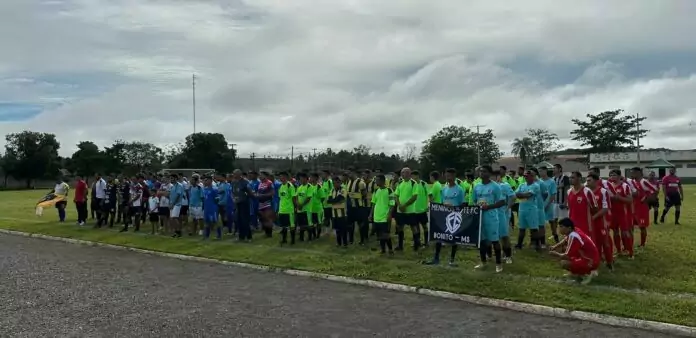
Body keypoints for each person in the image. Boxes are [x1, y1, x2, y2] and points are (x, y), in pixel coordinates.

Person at [425, 168, 464, 266]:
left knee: (453, 238)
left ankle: (452, 260)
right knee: (439, 236)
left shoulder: (459, 189)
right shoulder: (444, 189)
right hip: (444, 215)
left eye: (450, 176)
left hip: (455, 216)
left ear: (454, 176)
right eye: (447, 176)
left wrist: (454, 207)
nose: (448, 178)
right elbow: (442, 202)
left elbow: (463, 205)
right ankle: (436, 258)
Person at [472, 165, 505, 272]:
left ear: (489, 173)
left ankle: (499, 263)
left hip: (491, 217)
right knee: (481, 241)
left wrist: (489, 207)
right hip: (480, 217)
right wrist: (477, 207)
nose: (482, 173)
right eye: (481, 171)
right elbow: (474, 201)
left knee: (494, 240)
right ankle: (483, 262)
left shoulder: (495, 186)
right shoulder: (476, 186)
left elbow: (502, 201)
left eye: (485, 171)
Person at [549, 218, 600, 285]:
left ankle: (586, 274)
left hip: (590, 261)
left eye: (561, 227)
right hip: (592, 259)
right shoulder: (574, 230)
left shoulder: (573, 236)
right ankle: (579, 271)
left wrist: (555, 254)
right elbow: (565, 240)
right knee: (567, 251)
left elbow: (566, 255)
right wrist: (554, 247)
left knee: (564, 263)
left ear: (569, 228)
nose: (559, 229)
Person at [586, 173, 614, 271]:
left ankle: (610, 262)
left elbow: (605, 208)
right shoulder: (586, 191)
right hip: (590, 221)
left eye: (589, 180)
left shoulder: (602, 191)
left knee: (605, 242)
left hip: (601, 221)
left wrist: (594, 217)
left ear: (596, 181)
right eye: (587, 180)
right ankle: (596, 263)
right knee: (593, 243)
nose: (587, 182)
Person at [607, 170, 634, 259]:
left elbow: (630, 200)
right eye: (610, 175)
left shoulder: (625, 186)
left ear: (619, 176)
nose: (612, 177)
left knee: (625, 232)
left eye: (614, 175)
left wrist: (619, 198)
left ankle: (630, 251)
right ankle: (619, 250)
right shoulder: (608, 186)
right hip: (613, 213)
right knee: (615, 231)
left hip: (623, 213)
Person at [629, 167, 658, 251]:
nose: (631, 174)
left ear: (638, 173)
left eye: (633, 172)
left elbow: (655, 190)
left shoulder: (643, 181)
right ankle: (631, 243)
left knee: (642, 227)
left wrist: (648, 200)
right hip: (633, 207)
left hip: (642, 208)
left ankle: (642, 244)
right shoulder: (633, 182)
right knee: (631, 226)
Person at [394, 167, 420, 251]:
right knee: (400, 227)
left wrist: (404, 205)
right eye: (401, 172)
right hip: (400, 210)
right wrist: (399, 205)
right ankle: (400, 245)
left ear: (409, 173)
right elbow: (396, 195)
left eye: (404, 172)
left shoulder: (413, 183)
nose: (402, 174)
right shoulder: (400, 183)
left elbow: (414, 196)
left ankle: (416, 244)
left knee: (413, 227)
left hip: (410, 210)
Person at [515, 170, 540, 251]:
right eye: (525, 176)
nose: (525, 177)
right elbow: (516, 194)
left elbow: (529, 195)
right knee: (521, 228)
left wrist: (521, 195)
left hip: (531, 210)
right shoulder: (522, 185)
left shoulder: (535, 186)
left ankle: (537, 245)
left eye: (527, 176)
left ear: (532, 177)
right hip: (522, 209)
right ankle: (519, 244)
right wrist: (523, 195)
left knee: (534, 228)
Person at [369, 174, 394, 255]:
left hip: (385, 216)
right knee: (379, 235)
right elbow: (373, 203)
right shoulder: (376, 191)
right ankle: (383, 250)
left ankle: (390, 249)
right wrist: (370, 214)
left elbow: (392, 204)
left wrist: (389, 214)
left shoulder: (389, 191)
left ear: (382, 181)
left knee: (386, 235)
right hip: (376, 216)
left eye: (377, 180)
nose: (376, 181)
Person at [496, 169, 515, 263]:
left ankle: (508, 256)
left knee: (504, 235)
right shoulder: (491, 186)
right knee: (496, 235)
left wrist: (507, 208)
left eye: (496, 176)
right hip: (494, 214)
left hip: (503, 214)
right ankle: (499, 254)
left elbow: (512, 196)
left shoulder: (505, 185)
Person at [232, 169, 255, 242]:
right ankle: (241, 236)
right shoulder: (233, 182)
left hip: (244, 203)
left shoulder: (245, 182)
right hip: (237, 203)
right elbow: (232, 192)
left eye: (235, 174)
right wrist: (233, 198)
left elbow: (250, 192)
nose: (234, 175)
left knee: (245, 220)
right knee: (238, 220)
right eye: (233, 174)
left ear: (239, 174)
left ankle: (249, 237)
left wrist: (247, 197)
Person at [346, 168, 368, 245]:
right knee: (350, 224)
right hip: (350, 207)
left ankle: (362, 240)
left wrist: (357, 197)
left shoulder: (361, 183)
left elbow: (365, 195)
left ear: (353, 172)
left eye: (349, 173)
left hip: (359, 207)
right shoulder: (348, 182)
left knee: (360, 224)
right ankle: (351, 240)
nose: (348, 175)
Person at [327, 176, 348, 247]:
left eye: (336, 183)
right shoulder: (332, 190)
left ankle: (345, 243)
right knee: (337, 229)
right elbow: (329, 200)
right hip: (334, 213)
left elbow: (341, 198)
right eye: (333, 183)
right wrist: (335, 201)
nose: (334, 184)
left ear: (339, 183)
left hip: (342, 213)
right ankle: (339, 243)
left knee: (343, 229)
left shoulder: (343, 190)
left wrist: (334, 201)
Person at [277, 172, 297, 245]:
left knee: (291, 226)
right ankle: (284, 239)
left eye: (281, 177)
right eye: (279, 177)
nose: (280, 178)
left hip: (289, 210)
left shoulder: (290, 186)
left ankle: (293, 240)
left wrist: (295, 208)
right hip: (282, 210)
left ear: (285, 177)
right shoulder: (280, 186)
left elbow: (294, 198)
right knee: (284, 226)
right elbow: (281, 198)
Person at [552, 164, 570, 243]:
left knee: (564, 221)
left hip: (562, 202)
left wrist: (565, 202)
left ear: (560, 169)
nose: (553, 170)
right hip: (554, 202)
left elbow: (567, 190)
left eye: (555, 168)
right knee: (553, 220)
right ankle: (555, 236)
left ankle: (566, 238)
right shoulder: (553, 179)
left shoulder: (565, 178)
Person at [412, 170, 430, 247]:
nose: (412, 178)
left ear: (417, 176)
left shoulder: (423, 184)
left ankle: (426, 242)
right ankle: (417, 242)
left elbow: (430, 195)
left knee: (424, 226)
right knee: (416, 227)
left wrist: (428, 206)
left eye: (413, 176)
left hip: (422, 210)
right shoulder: (412, 184)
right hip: (414, 210)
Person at [257, 171, 276, 238]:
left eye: (261, 175)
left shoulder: (269, 183)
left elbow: (272, 193)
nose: (260, 176)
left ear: (265, 176)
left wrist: (263, 195)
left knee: (268, 218)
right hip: (260, 204)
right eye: (259, 175)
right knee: (263, 218)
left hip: (267, 203)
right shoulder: (260, 183)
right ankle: (266, 232)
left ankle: (269, 233)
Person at [203, 176, 222, 240]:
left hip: (213, 208)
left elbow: (217, 199)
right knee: (207, 222)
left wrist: (215, 206)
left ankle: (219, 235)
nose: (205, 181)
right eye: (205, 180)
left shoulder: (214, 189)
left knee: (215, 221)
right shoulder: (205, 189)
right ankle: (207, 236)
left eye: (206, 180)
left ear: (210, 181)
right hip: (206, 208)